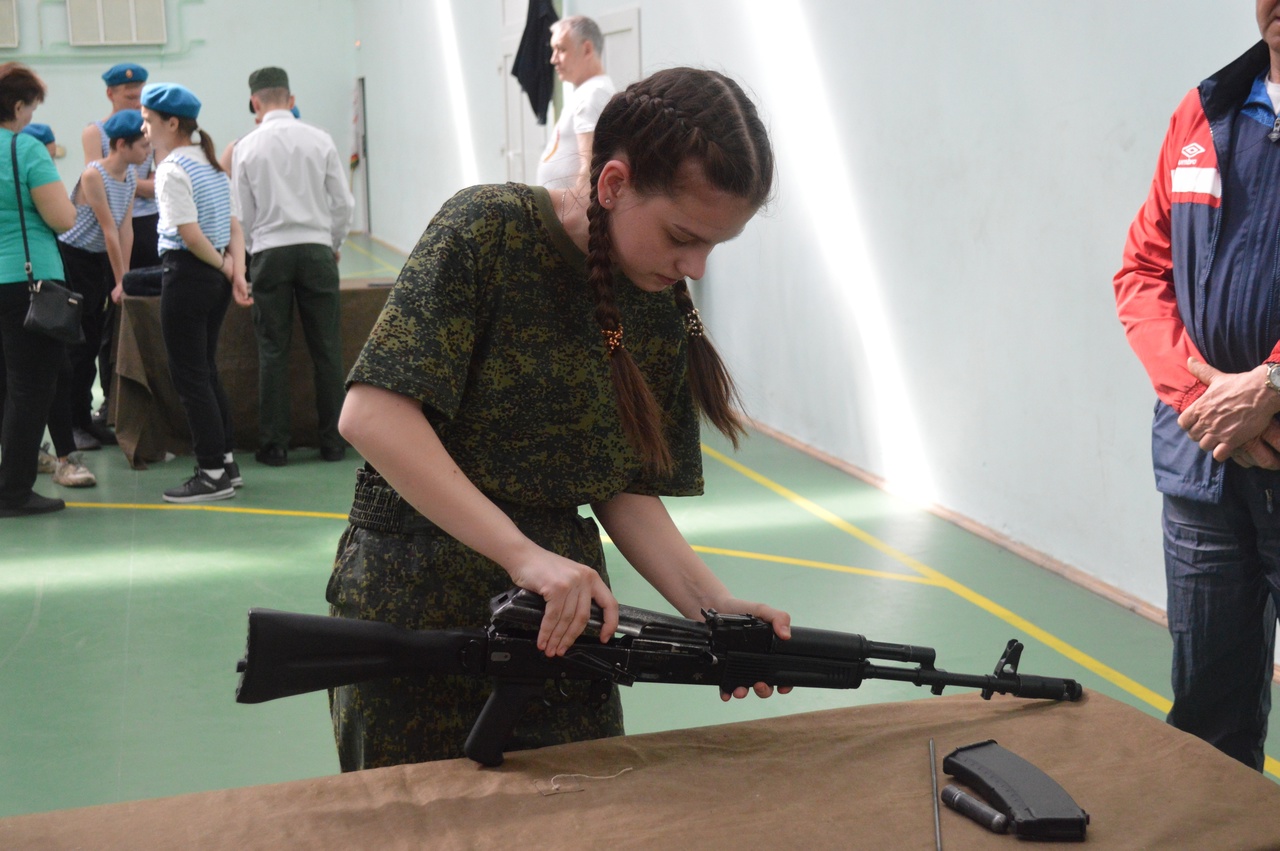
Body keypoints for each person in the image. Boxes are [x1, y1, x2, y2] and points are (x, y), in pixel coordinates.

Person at [328, 66, 790, 769]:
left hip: (563, 622)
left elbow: (620, 486)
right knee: (414, 815)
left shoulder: (655, 302)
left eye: (713, 246)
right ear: (613, 184)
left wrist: (714, 607)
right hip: (414, 605)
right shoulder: (487, 230)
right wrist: (524, 556)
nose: (694, 266)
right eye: (682, 235)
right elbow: (373, 415)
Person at [1113, 1, 1280, 772]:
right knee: (1207, 729)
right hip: (1203, 472)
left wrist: (1272, 384)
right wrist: (1205, 403)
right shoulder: (1204, 112)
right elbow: (1142, 271)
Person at [232, 68, 353, 467]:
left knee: (273, 350)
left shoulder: (246, 146)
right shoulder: (320, 139)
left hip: (270, 252)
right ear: (291, 99)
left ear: (255, 102)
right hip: (316, 248)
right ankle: (334, 442)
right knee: (327, 349)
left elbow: (243, 214)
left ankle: (275, 445)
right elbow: (342, 203)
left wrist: (255, 251)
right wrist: (332, 243)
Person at [141, 83, 250, 503]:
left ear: (172, 123)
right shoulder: (211, 164)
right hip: (214, 277)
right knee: (205, 371)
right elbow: (234, 227)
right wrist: (236, 272)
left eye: (148, 121)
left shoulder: (172, 169)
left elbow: (188, 233)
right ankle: (226, 463)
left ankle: (211, 474)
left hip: (189, 274)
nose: (144, 129)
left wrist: (224, 266)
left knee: (190, 377)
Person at [0, 63, 76, 517]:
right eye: (30, 108)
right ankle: (14, 492)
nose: (31, 116)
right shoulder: (24, 148)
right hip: (28, 283)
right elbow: (62, 219)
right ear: (16, 106)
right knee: (30, 390)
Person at [56, 109, 148, 465]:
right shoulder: (94, 175)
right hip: (74, 258)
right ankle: (72, 422)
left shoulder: (130, 176)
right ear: (121, 145)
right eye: (142, 146)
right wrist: (121, 279)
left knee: (95, 339)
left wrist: (125, 279)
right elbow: (108, 230)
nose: (147, 152)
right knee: (79, 343)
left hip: (97, 260)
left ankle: (85, 419)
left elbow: (126, 229)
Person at [83, 63, 159, 442]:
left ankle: (150, 395)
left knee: (148, 312)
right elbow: (98, 181)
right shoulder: (95, 134)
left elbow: (155, 184)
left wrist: (131, 178)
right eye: (128, 96)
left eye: (139, 95)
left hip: (145, 227)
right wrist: (133, 178)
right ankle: (110, 401)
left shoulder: (146, 135)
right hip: (105, 231)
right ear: (111, 94)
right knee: (109, 321)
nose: (135, 101)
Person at [534, 15, 615, 192]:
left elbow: (589, 165)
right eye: (553, 50)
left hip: (568, 207)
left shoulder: (594, 92)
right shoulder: (588, 90)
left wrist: (578, 206)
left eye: (561, 49)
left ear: (587, 49)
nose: (553, 59)